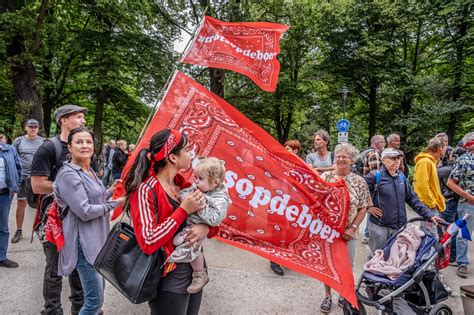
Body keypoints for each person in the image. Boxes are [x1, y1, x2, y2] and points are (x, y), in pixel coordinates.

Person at [124, 128, 219, 315]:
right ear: (173, 158)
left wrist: (205, 228)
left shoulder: (184, 184)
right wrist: (183, 210)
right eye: (188, 149)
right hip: (167, 275)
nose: (192, 154)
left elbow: (213, 220)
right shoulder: (145, 190)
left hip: (194, 269)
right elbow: (148, 241)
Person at [54, 127, 125, 314]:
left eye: (88, 142)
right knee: (94, 302)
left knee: (98, 297)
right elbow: (84, 211)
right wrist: (116, 203)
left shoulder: (89, 170)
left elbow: (95, 196)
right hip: (83, 244)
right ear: (69, 147)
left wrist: (110, 190)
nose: (84, 145)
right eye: (79, 142)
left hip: (96, 240)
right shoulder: (69, 174)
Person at [31, 104, 87, 314]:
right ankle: (52, 310)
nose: (83, 121)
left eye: (83, 118)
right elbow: (37, 185)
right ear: (64, 120)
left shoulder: (84, 146)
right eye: (78, 117)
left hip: (80, 218)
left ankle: (81, 310)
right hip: (55, 220)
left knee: (78, 270)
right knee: (54, 271)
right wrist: (69, 188)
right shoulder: (49, 148)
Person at [318, 143, 371, 313]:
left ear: (352, 160)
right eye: (338, 156)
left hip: (349, 233)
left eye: (345, 156)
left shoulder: (358, 181)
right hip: (327, 232)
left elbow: (364, 207)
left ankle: (343, 294)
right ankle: (328, 296)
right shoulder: (325, 177)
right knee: (327, 265)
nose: (341, 159)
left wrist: (353, 228)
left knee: (346, 266)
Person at [168, 157, 230, 293]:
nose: (195, 181)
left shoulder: (220, 199)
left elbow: (215, 219)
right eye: (196, 177)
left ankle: (199, 274)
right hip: (189, 226)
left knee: (193, 248)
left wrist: (199, 206)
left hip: (196, 227)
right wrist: (182, 196)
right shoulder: (198, 188)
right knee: (177, 241)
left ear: (215, 182)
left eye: (200, 179)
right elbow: (186, 192)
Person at [365, 148, 441, 253]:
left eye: (398, 158)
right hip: (380, 225)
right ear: (383, 160)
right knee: (376, 256)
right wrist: (367, 208)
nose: (396, 161)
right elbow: (358, 194)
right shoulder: (374, 176)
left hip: (399, 226)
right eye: (392, 158)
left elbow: (413, 199)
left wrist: (429, 215)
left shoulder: (401, 177)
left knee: (396, 257)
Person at [268, 139, 302, 276]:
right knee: (275, 230)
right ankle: (274, 261)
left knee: (290, 232)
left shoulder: (300, 165)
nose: (285, 150)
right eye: (285, 147)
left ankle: (286, 258)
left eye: (288, 148)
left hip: (293, 203)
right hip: (277, 201)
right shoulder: (277, 162)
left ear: (295, 150)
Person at [11, 119, 45, 243]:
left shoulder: (43, 142)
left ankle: (43, 228)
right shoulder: (18, 141)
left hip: (38, 177)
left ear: (38, 128)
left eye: (35, 127)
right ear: (25, 128)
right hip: (23, 178)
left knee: (41, 204)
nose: (33, 129)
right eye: (30, 126)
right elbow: (12, 158)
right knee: (21, 204)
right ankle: (19, 231)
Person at [447, 132, 474, 278]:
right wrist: (468, 196)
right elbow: (450, 182)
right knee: (464, 233)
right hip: (468, 204)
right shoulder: (464, 160)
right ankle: (462, 262)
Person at [413, 137, 447, 237]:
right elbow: (422, 185)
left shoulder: (430, 162)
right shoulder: (425, 162)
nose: (446, 150)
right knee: (430, 236)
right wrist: (431, 203)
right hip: (428, 206)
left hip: (430, 205)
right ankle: (427, 253)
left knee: (431, 234)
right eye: (445, 147)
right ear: (440, 148)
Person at [360, 134, 386, 243]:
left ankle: (368, 233)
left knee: (372, 209)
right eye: (383, 142)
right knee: (373, 209)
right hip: (374, 188)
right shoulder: (374, 154)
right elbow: (376, 174)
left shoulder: (371, 152)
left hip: (370, 187)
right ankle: (368, 234)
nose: (384, 144)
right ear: (377, 143)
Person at [0, 139, 22, 268]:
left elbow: (19, 169)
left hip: (4, 195)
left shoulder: (9, 150)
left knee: (3, 228)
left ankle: (2, 257)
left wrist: (15, 187)